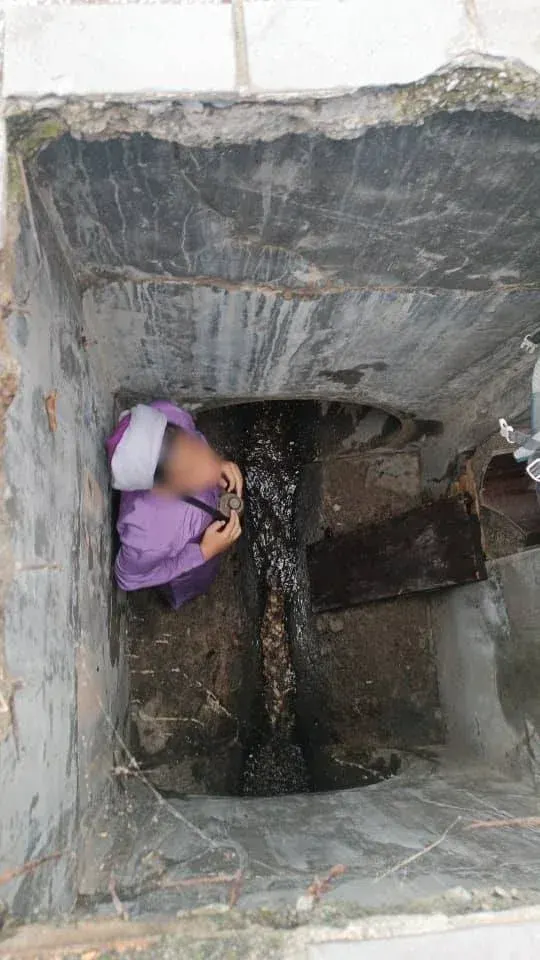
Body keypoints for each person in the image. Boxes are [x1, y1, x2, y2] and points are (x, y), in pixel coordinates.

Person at [106, 400, 243, 609]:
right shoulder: (149, 535)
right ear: (161, 489)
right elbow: (127, 578)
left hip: (202, 518)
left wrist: (218, 463)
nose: (207, 466)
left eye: (193, 450)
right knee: (195, 579)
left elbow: (193, 435)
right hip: (186, 557)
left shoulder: (169, 413)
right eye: (190, 472)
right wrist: (203, 552)